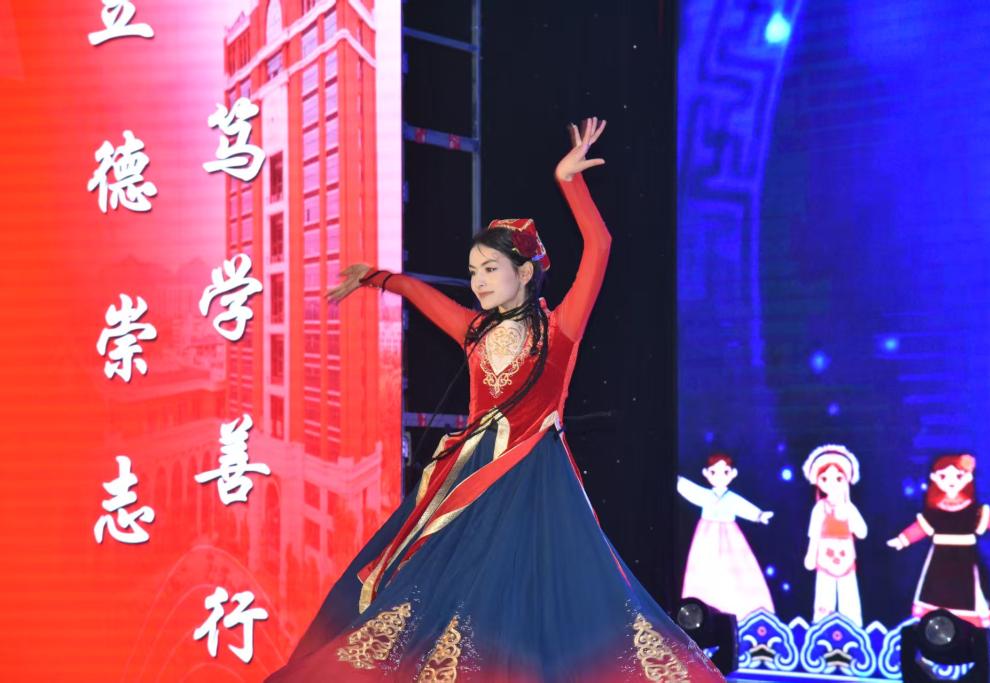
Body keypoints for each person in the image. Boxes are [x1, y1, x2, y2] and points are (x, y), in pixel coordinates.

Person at [265, 118, 725, 682]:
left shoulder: (560, 329)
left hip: (535, 480)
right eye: (473, 272)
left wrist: (568, 181)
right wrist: (376, 278)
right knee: (439, 598)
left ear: (524, 271)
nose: (478, 281)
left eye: (490, 269)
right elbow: (422, 295)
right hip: (469, 478)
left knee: (532, 605)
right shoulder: (474, 330)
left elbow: (600, 246)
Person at [887, 453, 990, 627]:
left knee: (969, 593)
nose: (951, 481)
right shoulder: (935, 510)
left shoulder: (973, 510)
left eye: (958, 476)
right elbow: (921, 527)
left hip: (965, 559)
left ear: (967, 478)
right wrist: (902, 540)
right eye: (944, 476)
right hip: (939, 561)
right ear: (935, 478)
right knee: (937, 594)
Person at [677, 453, 775, 619]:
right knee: (705, 569)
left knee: (736, 570)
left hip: (730, 537)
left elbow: (743, 507)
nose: (719, 476)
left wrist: (759, 515)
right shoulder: (706, 495)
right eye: (714, 472)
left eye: (725, 472)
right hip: (706, 536)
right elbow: (691, 490)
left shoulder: (731, 498)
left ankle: (741, 612)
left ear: (733, 473)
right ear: (706, 473)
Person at [802, 444, 867, 626]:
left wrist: (848, 512)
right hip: (824, 556)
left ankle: (853, 629)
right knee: (824, 596)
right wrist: (810, 555)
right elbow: (814, 535)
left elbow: (862, 532)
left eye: (838, 478)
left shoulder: (849, 508)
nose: (832, 483)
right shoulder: (819, 508)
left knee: (849, 597)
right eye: (825, 478)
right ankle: (821, 628)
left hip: (846, 557)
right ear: (818, 481)